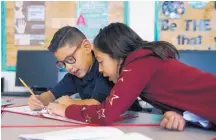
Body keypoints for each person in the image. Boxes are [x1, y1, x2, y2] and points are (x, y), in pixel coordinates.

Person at [46, 23, 216, 131]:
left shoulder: (138, 64)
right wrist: (177, 112)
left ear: (115, 55)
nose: (102, 70)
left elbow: (106, 114)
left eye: (101, 61)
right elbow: (177, 93)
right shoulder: (143, 62)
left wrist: (65, 110)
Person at [28, 26, 113, 110]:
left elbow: (98, 104)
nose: (68, 68)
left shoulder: (104, 68)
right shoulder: (74, 75)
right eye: (63, 63)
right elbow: (51, 95)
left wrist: (71, 103)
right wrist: (38, 100)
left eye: (70, 59)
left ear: (86, 47)